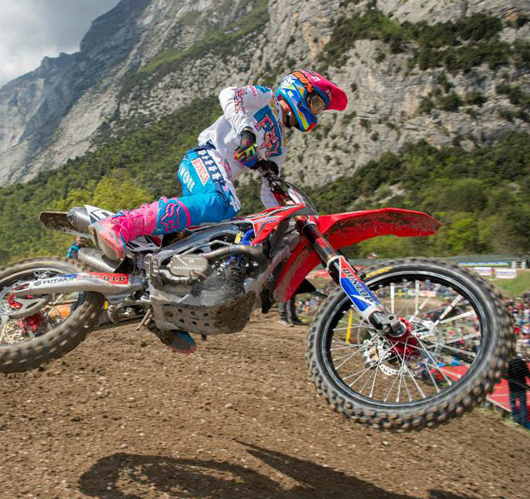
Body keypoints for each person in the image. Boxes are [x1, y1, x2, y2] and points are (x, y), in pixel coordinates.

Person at [89, 69, 347, 352]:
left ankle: (164, 314)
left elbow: (268, 192)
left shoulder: (278, 148)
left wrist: (290, 219)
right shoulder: (266, 98)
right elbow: (229, 94)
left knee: (223, 241)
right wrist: (245, 130)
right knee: (222, 203)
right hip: (204, 158)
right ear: (298, 90)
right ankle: (120, 224)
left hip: (219, 177)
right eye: (316, 104)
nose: (317, 113)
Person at [507, 354, 530, 425]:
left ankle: (516, 419)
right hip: (522, 388)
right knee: (523, 405)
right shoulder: (522, 364)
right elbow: (529, 375)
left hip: (512, 388)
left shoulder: (509, 364)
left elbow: (504, 373)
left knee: (513, 404)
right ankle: (523, 421)